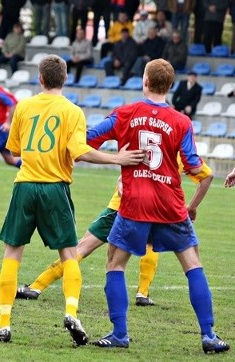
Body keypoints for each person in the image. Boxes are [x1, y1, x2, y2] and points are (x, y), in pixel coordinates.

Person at [0, 54, 146, 345]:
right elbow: (81, 152)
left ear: (40, 78)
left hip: (25, 186)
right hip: (56, 188)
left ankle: (3, 324)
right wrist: (116, 158)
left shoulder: (24, 106)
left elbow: (15, 150)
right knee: (69, 255)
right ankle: (71, 312)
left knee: (12, 253)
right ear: (66, 78)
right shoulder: (73, 111)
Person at [86, 58, 229, 354]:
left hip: (135, 202)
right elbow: (192, 165)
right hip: (170, 204)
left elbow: (88, 139)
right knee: (193, 264)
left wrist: (118, 158)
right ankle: (209, 335)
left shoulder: (124, 114)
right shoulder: (181, 122)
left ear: (145, 81)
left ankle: (120, 333)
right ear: (170, 86)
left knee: (115, 263)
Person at [17, 161, 214, 307]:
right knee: (151, 246)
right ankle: (142, 293)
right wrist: (192, 207)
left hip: (120, 208)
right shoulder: (176, 148)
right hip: (154, 210)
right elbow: (208, 176)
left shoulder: (139, 137)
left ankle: (36, 287)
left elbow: (122, 178)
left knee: (82, 248)